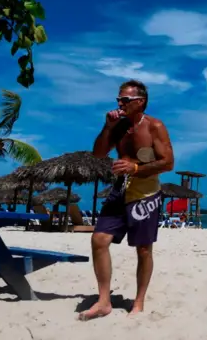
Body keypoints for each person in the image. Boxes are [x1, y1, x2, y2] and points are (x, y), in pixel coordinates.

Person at [79, 79, 174, 320]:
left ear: (140, 102)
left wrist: (135, 168)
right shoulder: (119, 126)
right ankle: (103, 301)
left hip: (146, 192)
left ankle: (139, 301)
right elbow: (98, 153)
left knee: (143, 249)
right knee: (99, 239)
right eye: (119, 99)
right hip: (120, 190)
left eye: (125, 100)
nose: (120, 103)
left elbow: (168, 163)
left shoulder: (155, 126)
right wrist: (108, 127)